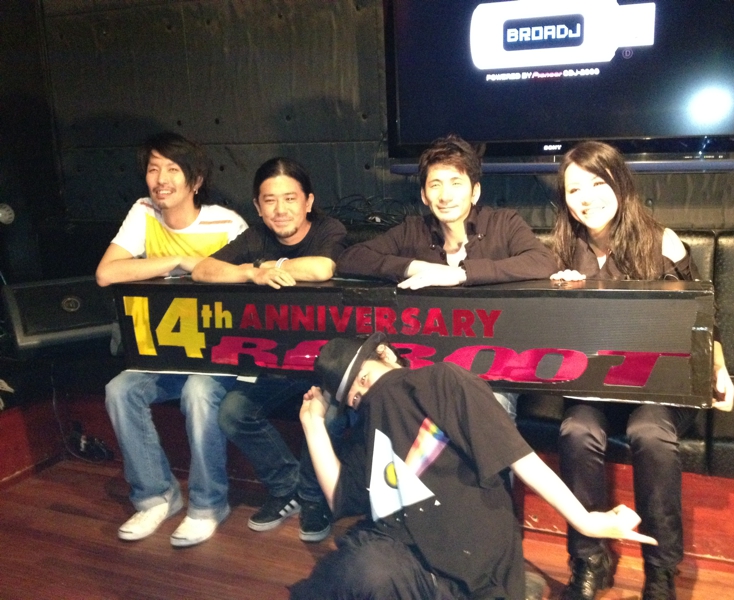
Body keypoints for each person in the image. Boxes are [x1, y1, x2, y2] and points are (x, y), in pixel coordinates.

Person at [290, 332, 656, 600]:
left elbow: (518, 456)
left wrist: (585, 520)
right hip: (405, 555)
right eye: (356, 396)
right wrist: (312, 423)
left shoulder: (441, 381)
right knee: (356, 571)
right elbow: (342, 496)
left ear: (385, 354)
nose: (368, 394)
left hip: (474, 564)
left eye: (366, 378)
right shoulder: (367, 428)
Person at [549, 141, 734, 600]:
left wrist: (719, 367)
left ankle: (661, 570)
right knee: (576, 430)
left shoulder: (661, 241)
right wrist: (558, 293)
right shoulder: (560, 251)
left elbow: (701, 319)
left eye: (598, 183)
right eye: (575, 190)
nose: (587, 198)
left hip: (658, 387)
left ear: (620, 184)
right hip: (595, 387)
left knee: (650, 432)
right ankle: (589, 560)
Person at [335, 133, 556, 419]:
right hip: (426, 365)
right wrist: (415, 267)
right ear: (424, 195)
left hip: (490, 368)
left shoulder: (504, 223)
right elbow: (350, 259)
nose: (445, 195)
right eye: (435, 185)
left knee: (486, 411)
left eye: (456, 183)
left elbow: (542, 261)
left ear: (475, 192)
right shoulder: (413, 230)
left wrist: (461, 274)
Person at [96, 131, 248, 547]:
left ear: (195, 180)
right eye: (153, 169)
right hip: (163, 355)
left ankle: (208, 504)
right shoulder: (144, 212)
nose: (161, 180)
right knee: (119, 390)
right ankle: (156, 496)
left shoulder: (226, 223)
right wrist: (178, 260)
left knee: (199, 391)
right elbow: (107, 273)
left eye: (173, 169)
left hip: (218, 358)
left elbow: (247, 281)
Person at [193, 157, 347, 542]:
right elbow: (202, 270)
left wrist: (272, 266)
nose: (280, 209)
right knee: (233, 412)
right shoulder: (255, 237)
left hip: (325, 365)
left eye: (290, 198)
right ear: (258, 207)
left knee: (328, 418)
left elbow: (321, 269)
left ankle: (313, 497)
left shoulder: (329, 228)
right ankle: (287, 487)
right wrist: (251, 272)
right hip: (275, 363)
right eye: (270, 200)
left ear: (308, 201)